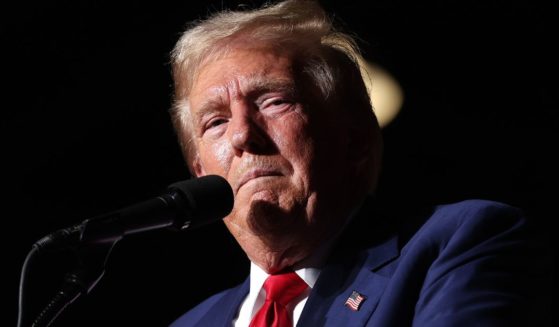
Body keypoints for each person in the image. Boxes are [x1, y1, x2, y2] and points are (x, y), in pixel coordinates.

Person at [167, 0, 552, 326]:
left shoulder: (459, 243)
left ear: (352, 138)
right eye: (216, 122)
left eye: (273, 102)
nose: (241, 135)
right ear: (200, 172)